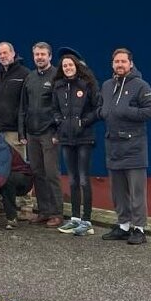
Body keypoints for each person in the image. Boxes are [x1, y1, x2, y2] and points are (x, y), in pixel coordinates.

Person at [98, 48, 151, 245]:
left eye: (123, 61)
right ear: (112, 64)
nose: (120, 65)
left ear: (130, 64)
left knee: (136, 191)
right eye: (116, 62)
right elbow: (102, 107)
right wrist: (102, 112)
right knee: (117, 191)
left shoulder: (141, 85)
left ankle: (139, 228)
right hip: (113, 146)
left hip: (134, 147)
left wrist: (127, 111)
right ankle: (123, 225)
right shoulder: (107, 85)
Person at [51, 55, 101, 236]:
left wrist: (84, 122)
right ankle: (74, 219)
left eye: (70, 64)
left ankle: (87, 221)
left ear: (77, 66)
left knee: (83, 179)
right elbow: (54, 109)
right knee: (71, 179)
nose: (67, 67)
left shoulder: (86, 84)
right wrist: (59, 121)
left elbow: (98, 108)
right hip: (66, 138)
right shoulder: (58, 86)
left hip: (84, 137)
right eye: (64, 65)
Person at [18, 42, 63, 229]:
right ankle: (44, 211)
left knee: (51, 173)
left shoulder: (56, 77)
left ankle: (57, 213)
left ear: (50, 56)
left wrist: (57, 132)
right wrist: (22, 131)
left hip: (49, 133)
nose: (39, 57)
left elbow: (61, 107)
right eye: (36, 54)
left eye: (43, 54)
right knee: (37, 173)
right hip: (32, 133)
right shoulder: (30, 77)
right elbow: (23, 107)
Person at [0, 42, 30, 149]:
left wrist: (22, 131)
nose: (2, 56)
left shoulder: (25, 74)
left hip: (14, 132)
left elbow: (27, 103)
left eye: (5, 53)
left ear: (13, 53)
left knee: (17, 165)